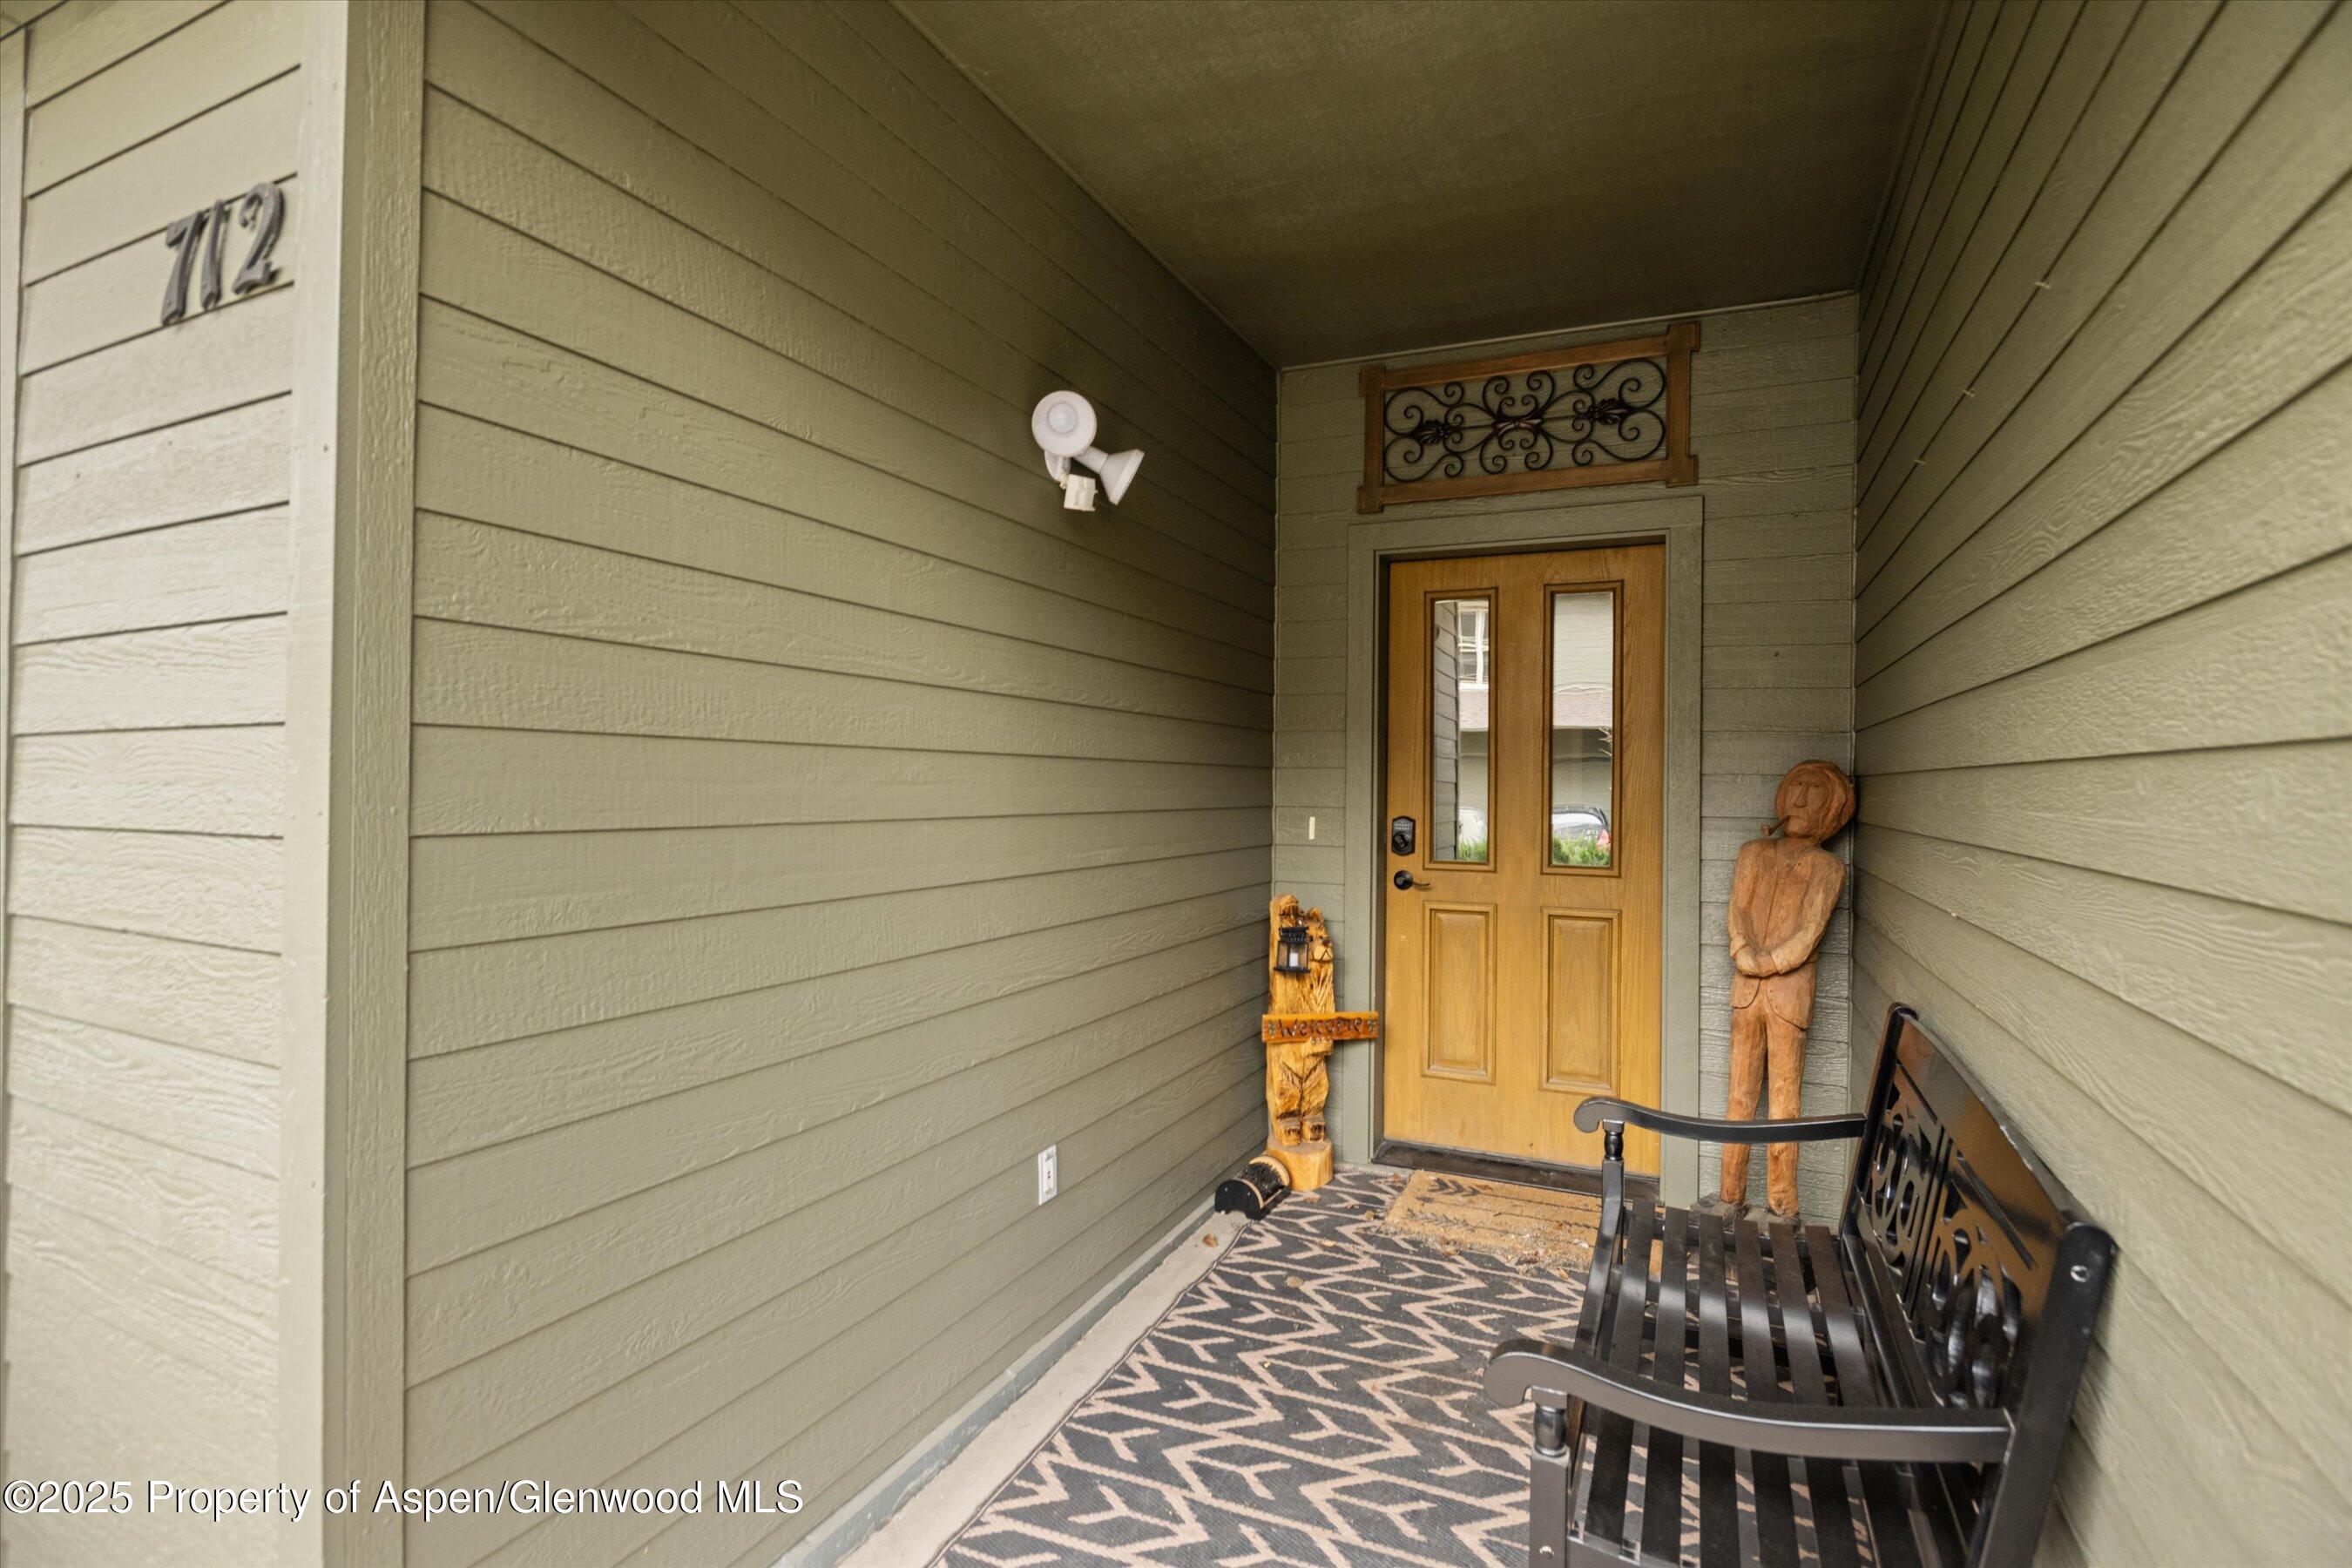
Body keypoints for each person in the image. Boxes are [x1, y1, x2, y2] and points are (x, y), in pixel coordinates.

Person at [1717, 760, 1854, 1217]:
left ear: (1833, 810)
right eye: (1794, 788)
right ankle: (1729, 1197)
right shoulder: (1753, 853)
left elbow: (1811, 930)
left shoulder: (1827, 867)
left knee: (1783, 1101)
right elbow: (1738, 910)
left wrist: (1770, 962)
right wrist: (1742, 951)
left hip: (1789, 995)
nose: (1797, 800)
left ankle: (1781, 1206)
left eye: (1812, 792)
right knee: (1738, 1095)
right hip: (1746, 988)